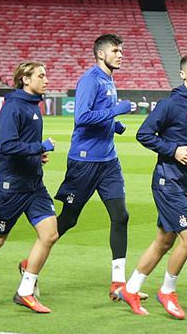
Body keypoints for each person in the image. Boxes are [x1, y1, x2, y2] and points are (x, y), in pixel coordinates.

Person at [119, 53, 187, 320]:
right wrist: (173, 150)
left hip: (186, 183)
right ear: (183, 74)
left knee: (164, 239)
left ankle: (131, 288)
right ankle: (167, 292)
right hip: (166, 180)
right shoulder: (170, 104)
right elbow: (144, 134)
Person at [0, 61, 59, 314]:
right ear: (25, 79)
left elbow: (23, 145)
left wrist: (37, 156)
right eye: (41, 75)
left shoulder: (32, 106)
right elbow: (6, 146)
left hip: (34, 184)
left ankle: (25, 291)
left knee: (49, 234)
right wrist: (40, 147)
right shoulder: (13, 107)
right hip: (10, 186)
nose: (46, 80)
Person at [54, 33, 138, 299]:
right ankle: (32, 262)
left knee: (121, 216)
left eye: (121, 50)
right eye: (115, 50)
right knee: (69, 218)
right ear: (101, 54)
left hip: (108, 161)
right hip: (84, 160)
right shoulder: (90, 79)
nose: (120, 54)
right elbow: (82, 117)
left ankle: (117, 282)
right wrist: (116, 111)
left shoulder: (108, 79)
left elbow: (100, 115)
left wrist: (114, 125)